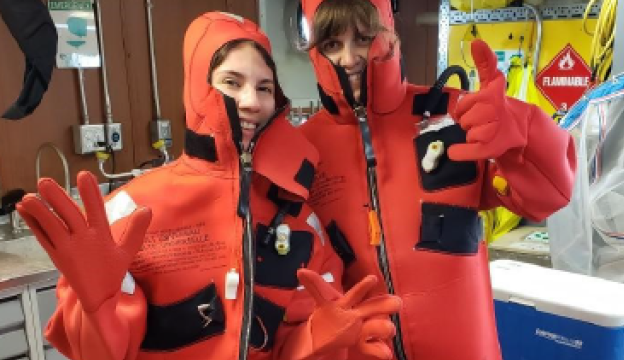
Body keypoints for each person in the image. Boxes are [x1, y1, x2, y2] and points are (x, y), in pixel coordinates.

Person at [16, 12, 401, 360]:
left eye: (265, 87)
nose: (251, 101)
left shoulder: (301, 223)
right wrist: (95, 307)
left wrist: (317, 338)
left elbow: (290, 347)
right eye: (232, 83)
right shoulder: (130, 211)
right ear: (198, 89)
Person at [298, 0, 577, 360]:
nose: (349, 59)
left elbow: (549, 196)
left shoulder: (458, 113)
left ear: (388, 38)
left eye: (363, 38)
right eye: (332, 45)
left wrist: (524, 130)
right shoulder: (305, 149)